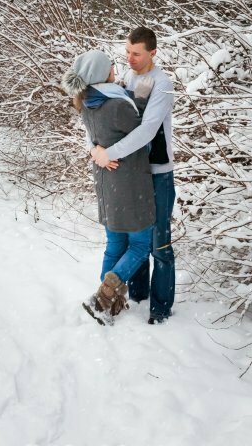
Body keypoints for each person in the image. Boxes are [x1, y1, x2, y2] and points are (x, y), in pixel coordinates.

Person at [62, 49, 155, 325]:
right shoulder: (117, 105)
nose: (116, 69)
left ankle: (107, 305)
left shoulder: (87, 101)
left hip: (106, 181)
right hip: (130, 182)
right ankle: (103, 299)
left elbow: (100, 137)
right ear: (103, 72)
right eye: (111, 66)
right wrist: (140, 98)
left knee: (114, 244)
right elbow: (143, 137)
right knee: (140, 244)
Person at [90, 27, 175, 324]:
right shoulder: (128, 78)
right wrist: (95, 148)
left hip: (157, 173)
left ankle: (160, 310)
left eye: (136, 53)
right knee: (133, 236)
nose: (130, 58)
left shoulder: (161, 84)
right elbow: (105, 123)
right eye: (127, 52)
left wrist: (108, 153)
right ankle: (138, 297)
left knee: (159, 244)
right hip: (132, 175)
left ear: (152, 53)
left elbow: (147, 130)